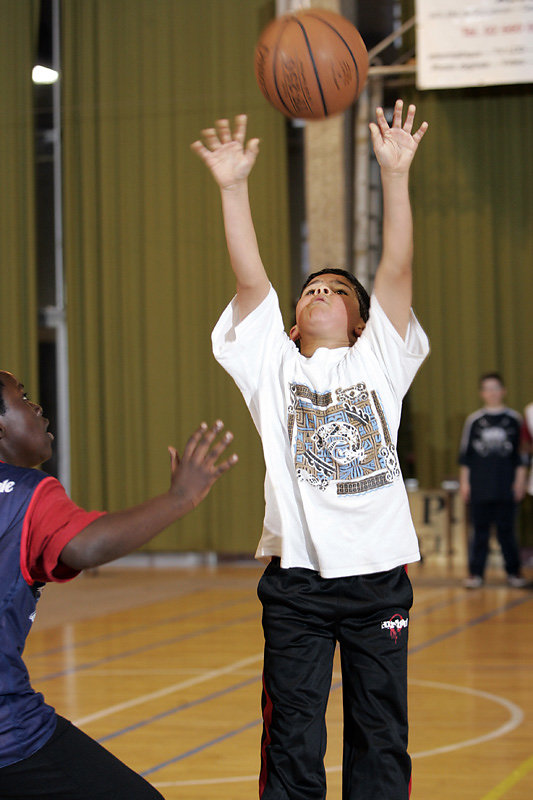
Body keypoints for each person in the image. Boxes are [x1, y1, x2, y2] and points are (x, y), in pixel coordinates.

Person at [192, 99, 428, 800]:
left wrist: (394, 174)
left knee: (379, 734)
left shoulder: (378, 360)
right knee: (292, 734)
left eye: (335, 291)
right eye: (310, 291)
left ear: (362, 323)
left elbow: (398, 264)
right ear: (292, 324)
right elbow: (249, 281)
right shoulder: (275, 365)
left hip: (377, 577)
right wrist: (232, 187)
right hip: (295, 583)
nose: (319, 294)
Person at [0, 369, 237, 799]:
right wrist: (179, 498)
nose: (36, 407)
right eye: (23, 398)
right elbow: (85, 548)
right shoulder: (27, 494)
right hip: (9, 734)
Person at [459, 372, 528, 589]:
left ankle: (513, 573)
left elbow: (522, 456)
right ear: (482, 393)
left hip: (506, 485)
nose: (492, 392)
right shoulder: (475, 420)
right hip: (480, 486)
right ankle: (475, 574)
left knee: (507, 531)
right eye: (487, 389)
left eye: (496, 388)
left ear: (503, 391)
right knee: (479, 532)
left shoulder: (514, 419)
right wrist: (465, 483)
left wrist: (520, 482)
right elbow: (466, 456)